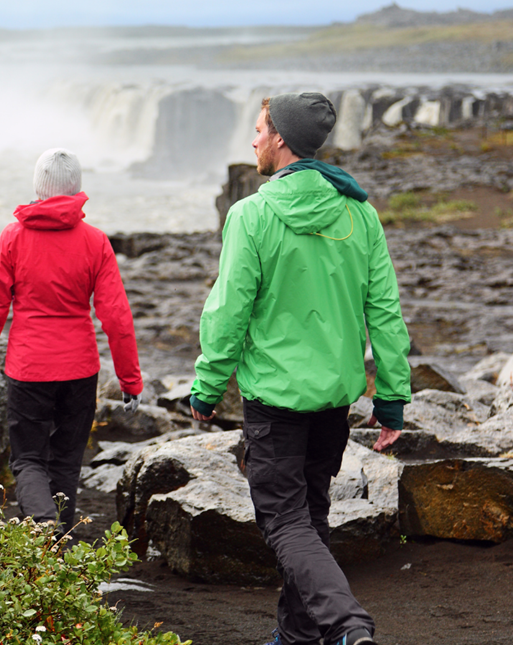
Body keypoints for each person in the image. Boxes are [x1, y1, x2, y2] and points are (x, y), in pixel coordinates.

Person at [189, 93, 411, 645]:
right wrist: (391, 399)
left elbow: (229, 309)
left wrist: (207, 387)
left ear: (282, 139)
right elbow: (383, 311)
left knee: (285, 522)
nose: (254, 140)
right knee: (309, 520)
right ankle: (296, 638)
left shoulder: (253, 214)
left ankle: (348, 625)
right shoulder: (359, 212)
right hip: (333, 402)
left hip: (277, 404)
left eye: (260, 129)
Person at [0, 148, 143, 535]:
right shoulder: (95, 242)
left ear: (38, 188)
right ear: (77, 189)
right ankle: (56, 544)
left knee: (28, 459)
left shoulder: (12, 238)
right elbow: (116, 318)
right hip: (80, 370)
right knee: (66, 461)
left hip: (29, 368)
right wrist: (131, 381)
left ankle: (42, 523)